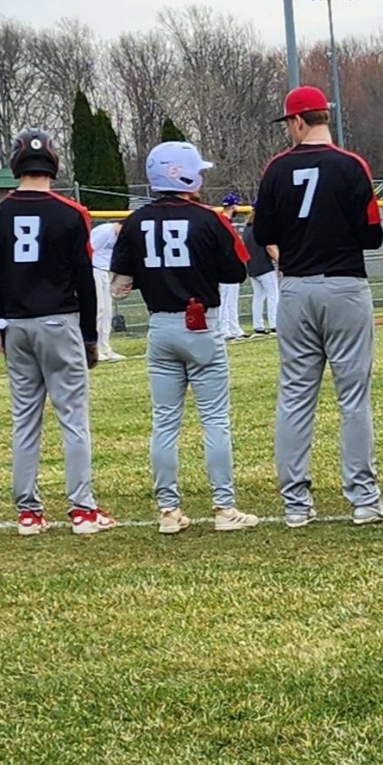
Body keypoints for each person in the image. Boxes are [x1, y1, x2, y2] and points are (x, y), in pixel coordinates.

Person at [252, 85, 383, 527]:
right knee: (353, 398)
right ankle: (363, 499)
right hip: (344, 286)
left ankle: (296, 505)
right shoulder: (351, 164)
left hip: (296, 288)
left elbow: (263, 234)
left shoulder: (277, 168)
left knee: (296, 396)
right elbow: (372, 235)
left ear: (298, 121)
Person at [110, 141, 261, 533]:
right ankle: (224, 507)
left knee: (164, 422)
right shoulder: (209, 219)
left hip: (160, 326)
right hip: (201, 323)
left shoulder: (135, 221)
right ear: (184, 175)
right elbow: (236, 273)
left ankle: (168, 511)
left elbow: (119, 287)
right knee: (214, 420)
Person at [0, 130, 115, 537]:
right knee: (72, 417)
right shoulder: (71, 212)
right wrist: (90, 335)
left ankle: (28, 512)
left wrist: (2, 324)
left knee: (25, 419)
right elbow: (84, 279)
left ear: (16, 163)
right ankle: (82, 509)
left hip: (16, 323)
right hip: (59, 320)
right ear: (53, 163)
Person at [88, 220, 128, 362]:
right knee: (98, 310)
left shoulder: (121, 238)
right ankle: (93, 349)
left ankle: (105, 347)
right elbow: (88, 250)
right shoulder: (104, 231)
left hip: (107, 271)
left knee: (107, 312)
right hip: (95, 270)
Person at [217, 195, 247, 340]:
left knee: (232, 300)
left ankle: (234, 328)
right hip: (226, 267)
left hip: (232, 266)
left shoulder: (226, 222)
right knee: (225, 299)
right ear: (232, 206)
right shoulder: (222, 221)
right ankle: (224, 330)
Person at [243, 217, 278, 335]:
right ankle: (274, 323)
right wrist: (280, 262)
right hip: (265, 267)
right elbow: (270, 247)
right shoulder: (262, 228)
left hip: (252, 267)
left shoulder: (247, 228)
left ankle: (258, 325)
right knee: (273, 295)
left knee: (258, 297)